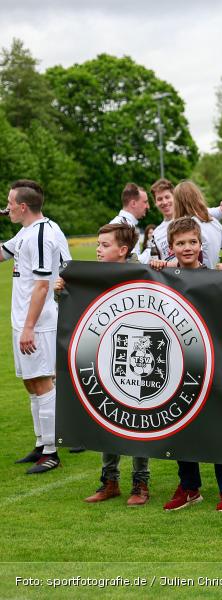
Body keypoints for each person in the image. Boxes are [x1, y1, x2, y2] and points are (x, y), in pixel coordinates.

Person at [57, 224, 152, 505]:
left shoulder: (141, 273)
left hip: (136, 356)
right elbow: (76, 309)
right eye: (98, 244)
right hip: (105, 358)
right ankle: (109, 481)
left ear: (123, 250)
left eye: (104, 245)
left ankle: (140, 483)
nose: (98, 249)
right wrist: (61, 291)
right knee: (109, 417)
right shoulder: (90, 277)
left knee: (137, 418)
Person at [151, 217, 222, 511]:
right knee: (181, 424)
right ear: (171, 247)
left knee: (216, 427)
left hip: (213, 363)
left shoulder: (214, 276)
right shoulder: (163, 275)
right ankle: (189, 486)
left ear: (201, 245)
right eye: (180, 243)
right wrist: (154, 269)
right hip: (177, 365)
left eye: (192, 242)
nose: (187, 248)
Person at [1, 180, 69, 474]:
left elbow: (42, 286)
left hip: (38, 324)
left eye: (9, 202)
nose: (7, 207)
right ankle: (41, 444)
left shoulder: (42, 235)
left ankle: (52, 452)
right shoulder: (27, 231)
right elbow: (2, 254)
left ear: (23, 206)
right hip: (24, 322)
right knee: (31, 383)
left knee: (42, 382)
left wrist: (29, 327)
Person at [150, 178, 222, 261]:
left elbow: (221, 211)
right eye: (159, 199)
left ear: (174, 198)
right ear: (155, 203)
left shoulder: (194, 220)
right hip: (174, 274)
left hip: (193, 272)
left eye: (167, 197)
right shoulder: (156, 233)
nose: (164, 202)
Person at [172, 180, 222, 270]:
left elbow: (194, 262)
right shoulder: (214, 222)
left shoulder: (188, 227)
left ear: (177, 202)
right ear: (198, 196)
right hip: (212, 278)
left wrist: (165, 264)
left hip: (195, 279)